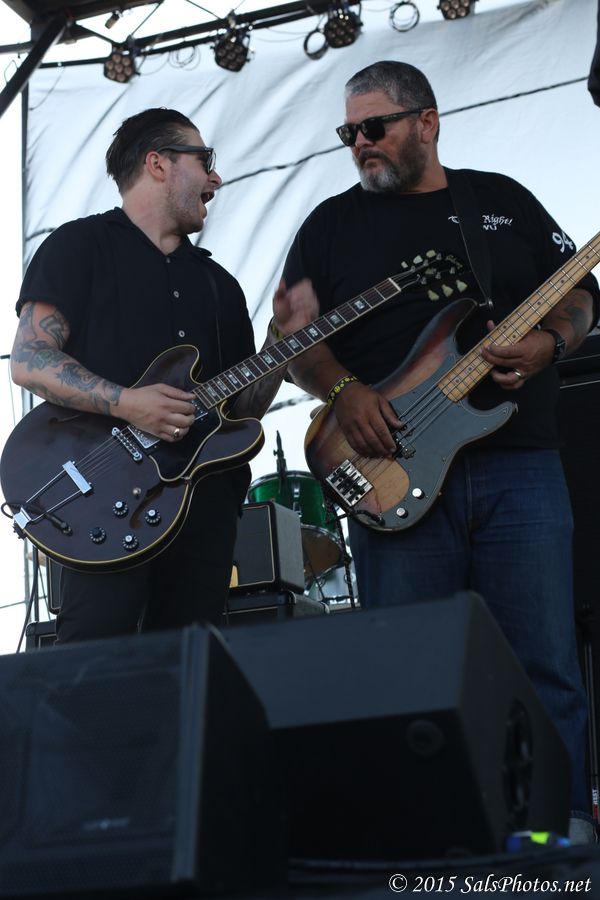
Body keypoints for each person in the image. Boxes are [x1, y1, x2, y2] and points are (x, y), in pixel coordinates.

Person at [282, 61, 600, 842]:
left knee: (544, 660)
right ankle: (430, 840)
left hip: (519, 461)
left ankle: (556, 830)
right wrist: (344, 391)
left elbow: (579, 293)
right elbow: (292, 339)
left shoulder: (500, 201)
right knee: (410, 667)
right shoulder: (330, 226)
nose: (360, 143)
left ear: (426, 121)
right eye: (348, 131)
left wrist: (551, 343)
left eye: (374, 126)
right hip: (391, 469)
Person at [10, 107, 317, 643]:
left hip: (203, 507)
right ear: (158, 163)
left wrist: (283, 341)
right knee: (95, 657)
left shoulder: (219, 286)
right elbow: (29, 360)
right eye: (205, 161)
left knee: (191, 662)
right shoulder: (80, 246)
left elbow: (242, 412)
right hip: (103, 498)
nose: (216, 178)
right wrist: (128, 403)